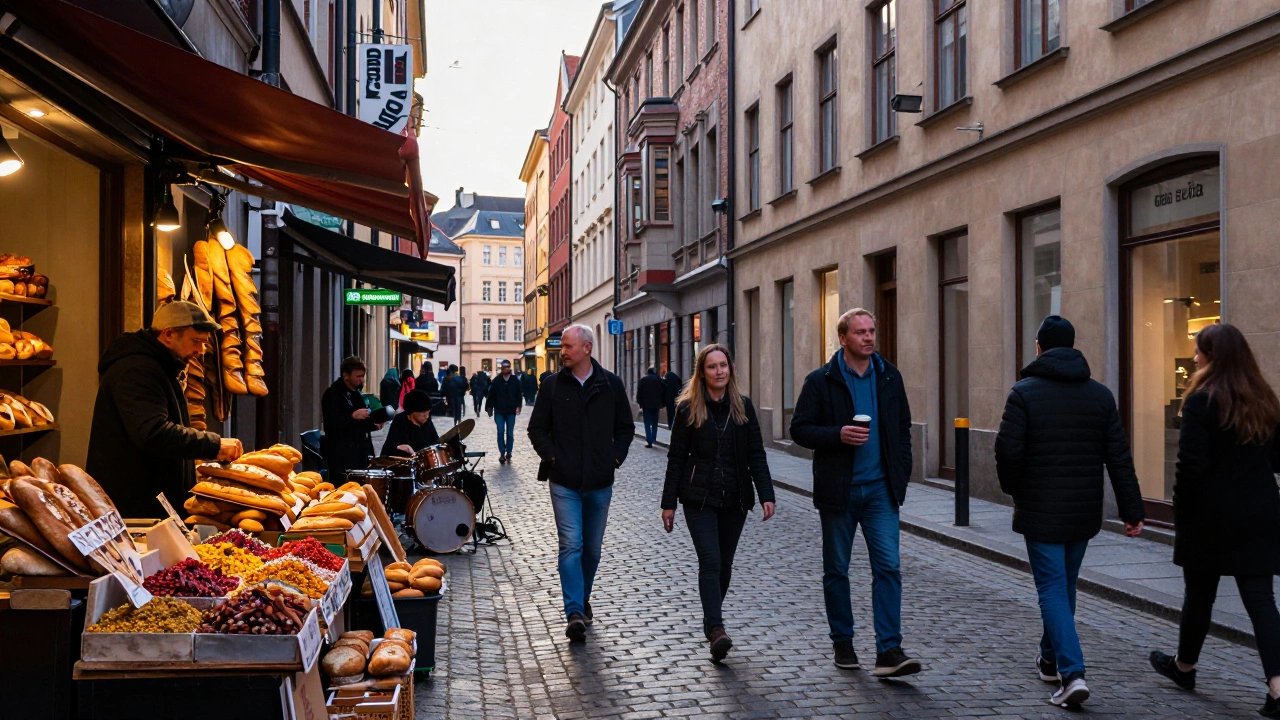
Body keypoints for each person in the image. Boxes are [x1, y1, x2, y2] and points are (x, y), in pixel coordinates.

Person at [994, 315, 1145, 708]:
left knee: (1051, 589)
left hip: (1041, 509)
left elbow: (1007, 452)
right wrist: (1132, 510)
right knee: (1064, 586)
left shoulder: (1023, 393)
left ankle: (1072, 673)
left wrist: (1015, 489)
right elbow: (1119, 457)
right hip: (1082, 512)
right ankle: (1049, 659)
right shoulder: (1099, 395)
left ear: (1039, 348)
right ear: (1073, 347)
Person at [1147, 323, 1280, 718]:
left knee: (1199, 596)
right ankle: (1278, 688)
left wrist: (1181, 514)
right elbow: (1279, 460)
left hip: (1210, 515)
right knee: (1261, 602)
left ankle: (1184, 667)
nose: (1194, 356)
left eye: (1199, 350)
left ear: (1214, 356)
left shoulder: (1202, 400)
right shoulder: (1266, 400)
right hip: (1259, 512)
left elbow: (1189, 468)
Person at [790, 308, 920, 677]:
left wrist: (901, 474)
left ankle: (889, 650)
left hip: (881, 490)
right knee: (837, 569)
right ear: (843, 338)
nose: (868, 338)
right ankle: (843, 642)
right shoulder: (821, 380)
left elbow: (902, 428)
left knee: (889, 568)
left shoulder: (889, 376)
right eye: (861, 332)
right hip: (840, 490)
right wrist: (838, 435)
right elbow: (799, 429)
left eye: (872, 331)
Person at [661, 344, 775, 663]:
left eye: (723, 365)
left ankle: (711, 619)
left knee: (724, 565)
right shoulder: (687, 409)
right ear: (702, 372)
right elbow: (676, 460)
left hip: (735, 500)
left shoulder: (744, 407)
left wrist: (766, 494)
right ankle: (716, 629)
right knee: (710, 562)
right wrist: (668, 503)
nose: (719, 371)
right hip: (698, 499)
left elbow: (756, 455)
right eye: (712, 366)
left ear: (730, 369)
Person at [87, 301, 243, 518]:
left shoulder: (162, 367)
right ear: (169, 334)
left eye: (204, 343)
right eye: (196, 341)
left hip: (150, 505)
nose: (200, 351)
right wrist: (212, 445)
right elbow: (153, 433)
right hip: (135, 510)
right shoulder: (137, 370)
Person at [528, 325, 634, 642]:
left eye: (569, 346)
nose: (563, 352)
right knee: (571, 544)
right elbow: (537, 429)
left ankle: (582, 597)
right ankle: (574, 611)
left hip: (600, 482)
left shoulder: (610, 385)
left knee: (592, 549)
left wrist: (614, 459)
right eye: (562, 347)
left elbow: (626, 428)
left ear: (587, 348)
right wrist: (553, 458)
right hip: (564, 481)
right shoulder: (551, 386)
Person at [321, 356, 393, 484]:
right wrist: (352, 416)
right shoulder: (332, 394)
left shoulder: (356, 395)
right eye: (358, 376)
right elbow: (331, 423)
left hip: (359, 452)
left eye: (363, 376)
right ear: (346, 376)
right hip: (340, 454)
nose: (361, 380)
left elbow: (364, 424)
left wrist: (375, 420)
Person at [379, 390, 439, 457]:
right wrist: (399, 447)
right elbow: (389, 448)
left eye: (428, 413)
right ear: (412, 412)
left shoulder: (427, 422)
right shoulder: (400, 421)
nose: (427, 416)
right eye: (423, 414)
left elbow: (435, 441)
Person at [486, 360, 524, 463]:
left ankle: (509, 452)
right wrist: (489, 407)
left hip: (511, 411)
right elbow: (491, 395)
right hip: (499, 410)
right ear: (501, 368)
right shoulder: (497, 380)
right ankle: (502, 453)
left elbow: (519, 394)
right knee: (500, 431)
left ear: (509, 368)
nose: (505, 369)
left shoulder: (515, 380)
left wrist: (519, 406)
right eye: (503, 367)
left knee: (510, 433)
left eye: (507, 367)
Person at [636, 368, 665, 447]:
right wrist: (662, 404)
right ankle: (653, 438)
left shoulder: (643, 380)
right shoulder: (659, 380)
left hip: (646, 405)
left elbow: (639, 393)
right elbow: (664, 392)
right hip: (656, 405)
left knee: (647, 423)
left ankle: (649, 440)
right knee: (655, 423)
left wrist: (640, 404)